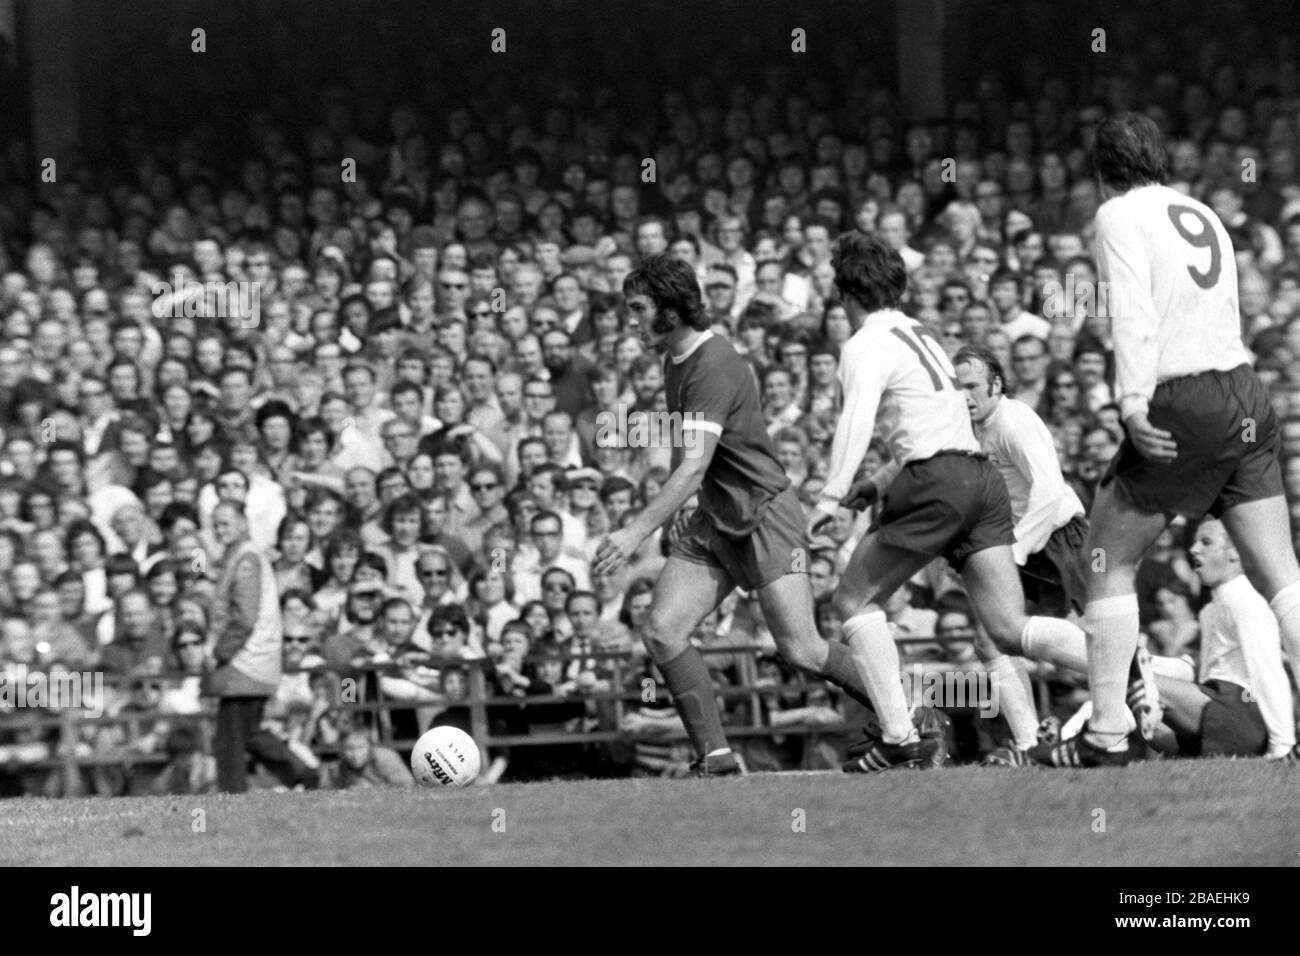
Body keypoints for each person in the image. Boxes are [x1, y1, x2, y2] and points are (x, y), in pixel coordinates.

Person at [1034, 113, 1300, 767]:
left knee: (1104, 558)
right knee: (1283, 578)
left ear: (1102, 174)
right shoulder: (1201, 211)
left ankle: (1107, 734)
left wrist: (1130, 401)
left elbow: (1132, 312)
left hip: (1185, 395)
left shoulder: (1117, 216)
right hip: (1246, 390)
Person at [593, 254, 895, 777]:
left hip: (765, 515)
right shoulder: (674, 359)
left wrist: (635, 530)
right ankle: (716, 758)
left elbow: (692, 467)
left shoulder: (713, 364)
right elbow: (689, 457)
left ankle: (911, 716)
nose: (632, 320)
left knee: (801, 648)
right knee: (663, 629)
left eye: (639, 308)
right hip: (716, 515)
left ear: (669, 308)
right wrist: (685, 507)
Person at [806, 231, 1091, 771]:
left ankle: (897, 735)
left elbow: (857, 418)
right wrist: (882, 481)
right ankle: (1124, 667)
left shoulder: (863, 343)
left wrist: (830, 494)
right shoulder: (926, 335)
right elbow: (945, 424)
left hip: (935, 482)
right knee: (1006, 629)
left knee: (850, 604)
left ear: (845, 295)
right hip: (980, 482)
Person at [1131, 517, 1295, 760]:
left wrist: (1282, 745)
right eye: (1196, 542)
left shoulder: (1246, 601)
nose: (1194, 549)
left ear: (1234, 553)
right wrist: (1142, 660)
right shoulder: (1210, 610)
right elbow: (1200, 670)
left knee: (1138, 685)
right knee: (1134, 692)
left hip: (1240, 711)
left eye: (1206, 542)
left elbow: (1267, 672)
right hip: (1218, 705)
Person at [953, 345, 1089, 618]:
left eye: (972, 386)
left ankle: (1167, 664)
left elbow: (1049, 489)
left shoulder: (1014, 421)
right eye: (958, 388)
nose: (965, 397)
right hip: (1026, 546)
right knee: (995, 638)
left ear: (997, 384)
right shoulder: (970, 427)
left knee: (1089, 635)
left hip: (1061, 540)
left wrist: (1017, 549)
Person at [205, 500, 286, 792]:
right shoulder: (240, 556)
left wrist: (219, 652)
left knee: (231, 740)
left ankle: (232, 792)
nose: (219, 530)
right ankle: (302, 769)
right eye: (215, 524)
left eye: (225, 523)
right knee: (249, 733)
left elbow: (244, 617)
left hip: (246, 661)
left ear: (243, 523)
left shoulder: (246, 558)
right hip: (253, 660)